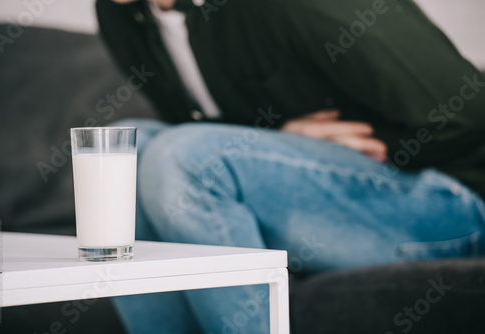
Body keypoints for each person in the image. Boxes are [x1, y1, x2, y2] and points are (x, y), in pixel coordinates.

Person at [96, 0, 485, 332]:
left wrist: (329, 147)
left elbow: (469, 113)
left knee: (182, 157)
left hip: (451, 201)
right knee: (121, 154)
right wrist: (283, 138)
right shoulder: (123, 15)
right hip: (319, 202)